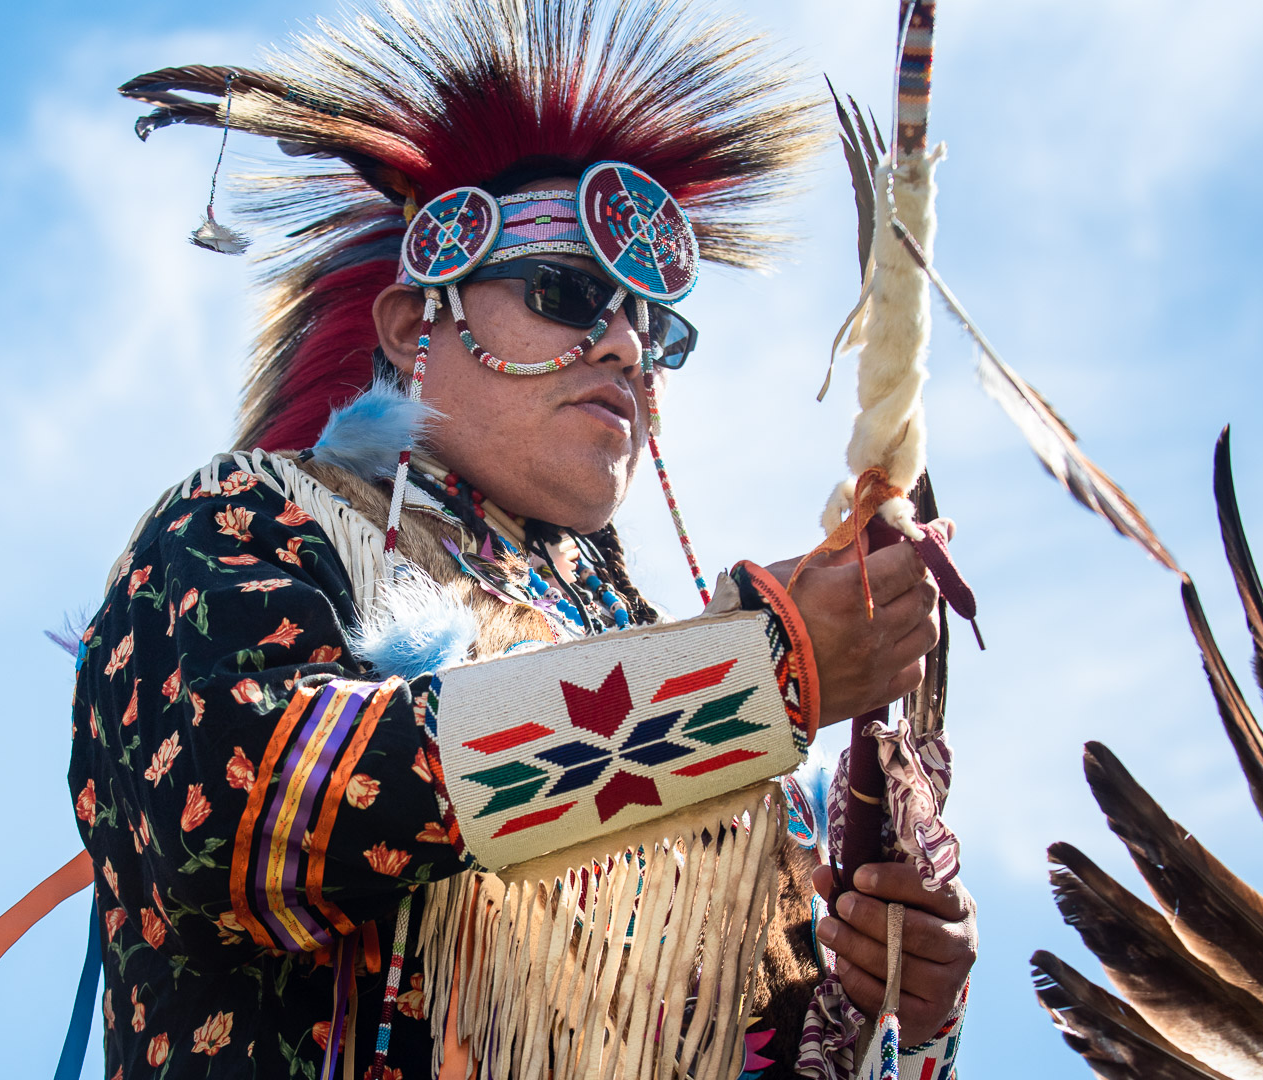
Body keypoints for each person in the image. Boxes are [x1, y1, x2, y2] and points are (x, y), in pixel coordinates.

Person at [74, 1, 975, 1076]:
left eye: (656, 325)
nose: (628, 346)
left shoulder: (721, 735)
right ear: (418, 325)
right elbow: (245, 803)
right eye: (568, 293)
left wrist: (899, 1011)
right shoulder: (249, 519)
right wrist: (747, 680)